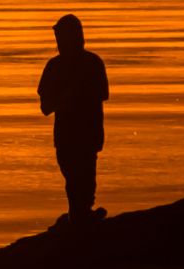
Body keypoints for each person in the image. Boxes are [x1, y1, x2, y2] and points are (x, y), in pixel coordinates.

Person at [38, 14, 109, 226]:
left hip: (87, 134)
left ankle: (80, 214)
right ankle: (79, 215)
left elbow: (102, 94)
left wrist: (75, 96)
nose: (59, 44)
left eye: (62, 39)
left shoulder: (92, 63)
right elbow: (45, 106)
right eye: (58, 39)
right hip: (66, 136)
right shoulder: (54, 66)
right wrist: (61, 100)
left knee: (85, 177)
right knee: (72, 177)